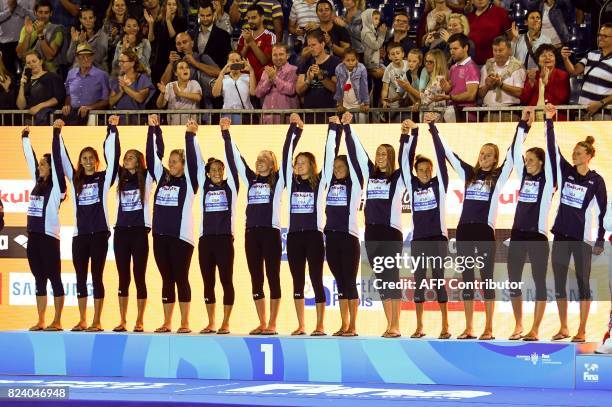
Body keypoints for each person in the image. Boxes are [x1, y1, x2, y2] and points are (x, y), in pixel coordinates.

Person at [433, 109, 520, 340]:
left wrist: (522, 126)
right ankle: (469, 327)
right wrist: (433, 128)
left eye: (489, 154)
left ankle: (489, 328)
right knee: (467, 280)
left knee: (487, 279)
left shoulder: (498, 177)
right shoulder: (469, 174)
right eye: (482, 153)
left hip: (484, 231)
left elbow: (512, 155)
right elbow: (449, 155)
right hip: (464, 231)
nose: (484, 156)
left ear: (494, 158)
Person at [224, 115, 294, 336]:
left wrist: (293, 130)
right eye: (258, 157)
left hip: (271, 233)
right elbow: (236, 159)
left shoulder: (278, 180)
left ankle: (273, 323)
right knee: (256, 278)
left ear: (273, 164)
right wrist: (226, 134)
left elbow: (287, 154)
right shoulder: (251, 180)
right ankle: (262, 322)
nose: (259, 160)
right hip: (251, 234)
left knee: (273, 276)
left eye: (265, 157)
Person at [548, 104, 607, 343]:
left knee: (583, 284)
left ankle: (581, 330)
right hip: (561, 235)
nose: (575, 155)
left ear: (589, 156)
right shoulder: (566, 171)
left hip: (582, 240)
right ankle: (563, 328)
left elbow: (603, 212)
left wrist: (600, 238)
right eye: (574, 152)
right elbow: (553, 150)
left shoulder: (597, 180)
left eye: (580, 153)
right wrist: (549, 121)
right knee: (559, 283)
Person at [344, 112, 407, 338]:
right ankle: (388, 323)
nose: (380, 157)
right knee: (381, 279)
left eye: (384, 154)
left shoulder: (399, 176)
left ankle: (396, 324)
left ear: (391, 156)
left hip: (390, 232)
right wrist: (348, 129)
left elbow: (407, 159)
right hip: (371, 231)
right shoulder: (370, 174)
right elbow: (357, 153)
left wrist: (405, 137)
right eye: (378, 153)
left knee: (392, 277)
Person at [57, 115, 120, 332]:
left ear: (96, 160)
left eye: (91, 158)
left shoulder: (103, 179)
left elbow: (113, 158)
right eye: (84, 158)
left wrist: (112, 130)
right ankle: (82, 319)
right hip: (80, 236)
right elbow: (63, 159)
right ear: (80, 162)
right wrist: (57, 134)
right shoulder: (76, 180)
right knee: (81, 277)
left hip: (100, 234)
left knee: (97, 276)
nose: (87, 161)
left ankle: (97, 321)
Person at [505, 106, 555, 341]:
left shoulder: (548, 181)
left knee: (539, 282)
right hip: (517, 234)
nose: (527, 163)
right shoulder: (524, 176)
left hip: (538, 235)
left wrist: (548, 122)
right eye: (527, 160)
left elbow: (553, 156)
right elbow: (515, 152)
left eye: (532, 160)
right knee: (513, 279)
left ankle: (535, 329)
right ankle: (518, 325)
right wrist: (523, 125)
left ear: (542, 162)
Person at [186, 117, 239, 335]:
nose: (217, 172)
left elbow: (232, 159)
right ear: (208, 173)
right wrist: (191, 136)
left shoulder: (231, 187)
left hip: (225, 240)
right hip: (206, 240)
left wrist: (225, 134)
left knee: (226, 280)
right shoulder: (204, 184)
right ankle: (211, 322)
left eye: (220, 169)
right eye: (213, 169)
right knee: (208, 281)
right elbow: (196, 161)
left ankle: (226, 322)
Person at [146, 114, 198, 334]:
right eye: (170, 161)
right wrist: (153, 131)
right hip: (160, 236)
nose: (170, 164)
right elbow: (151, 158)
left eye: (175, 161)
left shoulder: (189, 181)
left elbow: (194, 163)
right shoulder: (163, 178)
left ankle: (184, 322)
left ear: (183, 165)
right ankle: (167, 321)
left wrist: (190, 136)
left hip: (181, 238)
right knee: (166, 278)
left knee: (180, 277)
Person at [400, 114, 451, 339]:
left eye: (427, 169)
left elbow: (442, 159)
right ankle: (419, 326)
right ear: (416, 171)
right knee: (419, 281)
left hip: (438, 238)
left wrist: (432, 129)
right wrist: (412, 134)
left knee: (439, 280)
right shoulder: (411, 185)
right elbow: (404, 162)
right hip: (419, 239)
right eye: (420, 169)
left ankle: (445, 326)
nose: (424, 172)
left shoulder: (439, 185)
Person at [285, 113, 333, 336]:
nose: (298, 165)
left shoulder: (320, 181)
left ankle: (320, 324)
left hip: (314, 236)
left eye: (303, 162)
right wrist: (295, 130)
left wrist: (333, 130)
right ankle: (301, 325)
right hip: (294, 236)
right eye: (297, 163)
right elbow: (286, 154)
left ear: (312, 165)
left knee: (315, 277)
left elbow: (330, 157)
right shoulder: (290, 181)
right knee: (297, 280)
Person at [22, 120, 67, 331]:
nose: (39, 167)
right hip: (34, 237)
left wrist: (56, 133)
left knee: (54, 278)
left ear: (51, 168)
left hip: (49, 237)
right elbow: (30, 160)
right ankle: (41, 320)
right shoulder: (37, 183)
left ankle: (57, 320)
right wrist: (25, 138)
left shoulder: (57, 187)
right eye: (39, 164)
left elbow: (57, 162)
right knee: (39, 279)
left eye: (43, 164)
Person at [112, 141, 154, 333]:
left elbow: (153, 156)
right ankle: (122, 320)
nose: (125, 160)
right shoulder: (119, 176)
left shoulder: (145, 177)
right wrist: (113, 130)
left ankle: (139, 320)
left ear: (138, 162)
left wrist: (153, 131)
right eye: (125, 157)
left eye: (131, 157)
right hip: (121, 232)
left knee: (139, 275)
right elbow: (111, 155)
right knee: (123, 276)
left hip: (139, 232)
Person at [561, 23, 612, 118]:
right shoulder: (591, 54)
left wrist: (600, 103)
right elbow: (574, 71)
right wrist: (565, 59)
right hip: (582, 109)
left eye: (605, 36)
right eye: (599, 35)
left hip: (602, 112)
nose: (600, 38)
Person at [296, 29, 340, 123]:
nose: (311, 48)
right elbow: (298, 90)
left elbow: (335, 88)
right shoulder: (306, 62)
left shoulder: (335, 62)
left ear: (323, 44)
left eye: (314, 45)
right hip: (309, 114)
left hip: (328, 114)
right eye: (309, 46)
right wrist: (308, 80)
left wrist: (321, 76)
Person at [478, 36, 526, 121]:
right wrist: (487, 86)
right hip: (488, 113)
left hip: (510, 113)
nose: (497, 53)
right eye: (495, 50)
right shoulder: (486, 67)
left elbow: (520, 92)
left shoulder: (517, 67)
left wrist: (501, 85)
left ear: (509, 51)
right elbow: (480, 94)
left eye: (500, 50)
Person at [62, 43, 110, 126]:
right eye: (82, 57)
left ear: (92, 57)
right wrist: (67, 105)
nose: (86, 59)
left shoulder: (102, 75)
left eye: (88, 56)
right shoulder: (71, 73)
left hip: (93, 117)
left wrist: (89, 107)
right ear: (77, 58)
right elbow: (69, 95)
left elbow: (106, 101)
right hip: (72, 116)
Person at [436, 33, 480, 122]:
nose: (452, 51)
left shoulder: (471, 67)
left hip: (466, 115)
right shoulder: (453, 68)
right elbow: (453, 91)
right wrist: (447, 89)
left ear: (466, 48)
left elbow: (471, 95)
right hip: (452, 113)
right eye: (450, 49)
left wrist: (450, 97)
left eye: (455, 48)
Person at [520, 44, 570, 119]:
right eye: (543, 56)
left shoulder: (562, 75)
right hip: (533, 117)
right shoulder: (533, 75)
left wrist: (545, 83)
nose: (547, 58)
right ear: (538, 61)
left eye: (551, 55)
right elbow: (524, 99)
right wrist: (531, 82)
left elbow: (562, 98)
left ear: (555, 60)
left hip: (555, 116)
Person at [16, 50, 65, 125]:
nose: (31, 64)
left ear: (41, 61)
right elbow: (21, 106)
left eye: (34, 61)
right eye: (28, 63)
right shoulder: (26, 81)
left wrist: (39, 106)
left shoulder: (53, 77)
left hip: (48, 120)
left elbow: (58, 97)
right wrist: (22, 86)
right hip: (29, 121)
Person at [255, 44, 299, 124]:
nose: (278, 58)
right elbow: (258, 93)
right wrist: (269, 80)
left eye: (281, 54)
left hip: (286, 119)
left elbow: (291, 89)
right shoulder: (267, 72)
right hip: (268, 118)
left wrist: (275, 78)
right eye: (275, 55)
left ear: (287, 55)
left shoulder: (294, 70)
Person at [145, 0, 187, 84]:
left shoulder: (181, 20)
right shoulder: (159, 20)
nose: (171, 6)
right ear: (165, 6)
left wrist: (168, 21)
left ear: (177, 7)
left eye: (174, 4)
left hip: (174, 56)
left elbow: (175, 38)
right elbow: (151, 39)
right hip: (160, 56)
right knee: (158, 83)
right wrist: (150, 24)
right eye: (169, 4)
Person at [16, 0, 64, 74]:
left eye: (46, 12)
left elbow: (49, 56)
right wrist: (28, 34)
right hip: (29, 71)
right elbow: (19, 54)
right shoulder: (27, 28)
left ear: (51, 13)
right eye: (40, 12)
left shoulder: (57, 30)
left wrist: (40, 34)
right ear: (35, 13)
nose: (43, 15)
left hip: (49, 73)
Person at [109, 49, 155, 123]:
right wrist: (121, 93)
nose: (120, 64)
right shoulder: (118, 79)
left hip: (137, 121)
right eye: (119, 61)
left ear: (132, 63)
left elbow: (140, 98)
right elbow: (111, 102)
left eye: (123, 62)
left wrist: (125, 88)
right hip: (119, 121)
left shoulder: (142, 78)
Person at [212, 51, 256, 124]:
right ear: (227, 62)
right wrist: (222, 73)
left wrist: (251, 71)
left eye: (237, 60)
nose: (235, 62)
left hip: (245, 114)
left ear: (242, 62)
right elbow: (215, 94)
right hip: (227, 115)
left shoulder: (247, 76)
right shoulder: (223, 78)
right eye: (232, 61)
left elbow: (253, 92)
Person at [237, 4, 275, 83]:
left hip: (262, 80)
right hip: (244, 79)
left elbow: (264, 61)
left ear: (262, 18)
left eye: (254, 18)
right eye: (248, 18)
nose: (250, 21)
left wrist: (251, 42)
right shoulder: (243, 35)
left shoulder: (270, 36)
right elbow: (238, 61)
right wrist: (245, 47)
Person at [156, 60, 202, 125]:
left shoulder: (194, 83)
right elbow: (159, 105)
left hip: (191, 126)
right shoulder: (170, 85)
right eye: (181, 68)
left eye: (187, 67)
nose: (185, 69)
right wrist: (162, 94)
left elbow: (198, 97)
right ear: (175, 73)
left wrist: (179, 93)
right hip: (174, 127)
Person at [467, 0, 511, 65]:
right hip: (472, 64)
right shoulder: (468, 16)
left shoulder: (500, 12)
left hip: (496, 63)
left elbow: (511, 37)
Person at [190, 1, 232, 70]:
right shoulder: (191, 34)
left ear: (213, 14)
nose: (205, 18)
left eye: (208, 15)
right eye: (202, 15)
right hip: (195, 76)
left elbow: (226, 60)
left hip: (215, 76)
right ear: (198, 15)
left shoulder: (224, 35)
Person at [66, 6, 109, 71]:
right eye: (84, 18)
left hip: (96, 72)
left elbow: (98, 59)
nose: (87, 21)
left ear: (95, 18)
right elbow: (69, 59)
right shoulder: (77, 34)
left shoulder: (102, 35)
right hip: (77, 71)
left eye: (90, 18)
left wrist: (83, 44)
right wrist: (74, 42)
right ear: (80, 20)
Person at [0, 0, 35, 77]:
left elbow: (35, 16)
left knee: (28, 73)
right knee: (8, 75)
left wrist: (18, 8)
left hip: (24, 42)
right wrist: (10, 10)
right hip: (5, 43)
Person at [334, 48, 369, 123]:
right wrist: (339, 104)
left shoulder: (361, 68)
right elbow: (338, 87)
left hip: (359, 104)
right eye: (348, 60)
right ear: (343, 60)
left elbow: (364, 86)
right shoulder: (339, 69)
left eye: (353, 60)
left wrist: (365, 103)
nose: (350, 63)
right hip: (346, 105)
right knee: (348, 128)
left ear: (357, 59)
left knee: (362, 126)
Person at [381, 43, 409, 117]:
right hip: (393, 103)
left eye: (398, 53)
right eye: (393, 54)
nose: (396, 56)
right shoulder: (388, 69)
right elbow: (385, 88)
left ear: (403, 54)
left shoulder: (408, 65)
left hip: (407, 102)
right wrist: (384, 101)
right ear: (389, 57)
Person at [103, 0, 128, 70]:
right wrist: (112, 37)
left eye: (122, 5)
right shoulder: (106, 23)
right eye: (117, 5)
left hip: (127, 55)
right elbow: (103, 42)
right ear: (113, 8)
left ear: (125, 7)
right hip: (111, 56)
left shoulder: (131, 21)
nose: (120, 7)